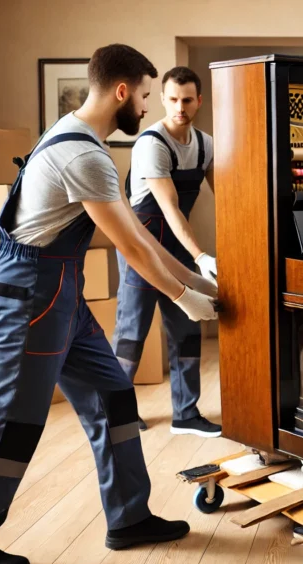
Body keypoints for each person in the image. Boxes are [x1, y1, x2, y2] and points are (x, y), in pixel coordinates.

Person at [0, 44, 219, 564]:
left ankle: (129, 517)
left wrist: (201, 283)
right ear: (121, 91)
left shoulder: (80, 136)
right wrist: (187, 298)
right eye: (144, 93)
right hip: (31, 297)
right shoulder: (85, 154)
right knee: (12, 421)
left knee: (113, 394)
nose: (147, 104)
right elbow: (132, 247)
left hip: (60, 293)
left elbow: (139, 236)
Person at [114, 65, 220, 437]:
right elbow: (170, 208)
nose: (180, 107)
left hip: (177, 243)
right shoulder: (150, 144)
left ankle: (186, 414)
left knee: (187, 330)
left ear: (199, 101)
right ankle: (117, 415)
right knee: (132, 332)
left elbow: (228, 198)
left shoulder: (206, 145)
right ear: (162, 99)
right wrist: (202, 257)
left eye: (187, 100)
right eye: (173, 99)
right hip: (141, 244)